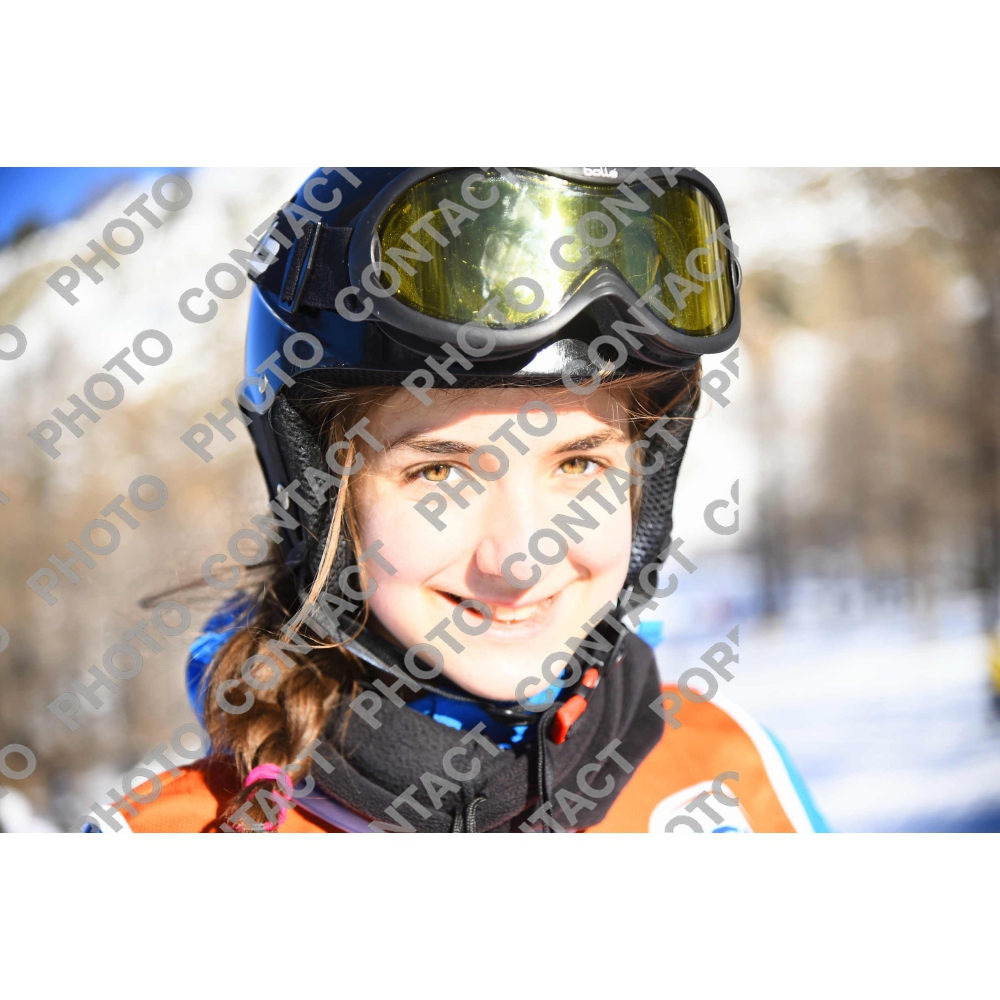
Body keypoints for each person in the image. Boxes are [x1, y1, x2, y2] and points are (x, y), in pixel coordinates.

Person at [106, 167, 827, 833]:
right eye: (440, 475)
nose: (521, 561)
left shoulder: (736, 777)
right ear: (324, 499)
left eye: (579, 463)